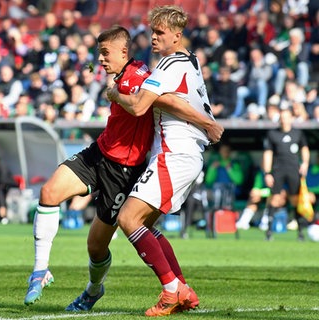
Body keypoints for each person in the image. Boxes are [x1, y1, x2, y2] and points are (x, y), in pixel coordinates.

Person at [24, 24, 223, 307]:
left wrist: (206, 123)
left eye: (106, 53)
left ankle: (94, 290)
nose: (101, 59)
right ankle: (40, 271)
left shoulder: (141, 77)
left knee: (96, 246)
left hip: (124, 172)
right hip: (99, 153)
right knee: (48, 193)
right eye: (99, 54)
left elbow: (166, 102)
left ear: (124, 52)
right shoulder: (121, 75)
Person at [71, 6, 217, 316]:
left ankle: (170, 291)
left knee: (129, 219)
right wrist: (207, 122)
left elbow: (138, 107)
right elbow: (170, 101)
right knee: (145, 224)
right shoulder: (190, 62)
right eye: (152, 32)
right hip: (184, 153)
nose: (153, 37)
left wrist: (115, 95)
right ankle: (182, 288)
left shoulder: (168, 66)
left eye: (160, 33)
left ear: (177, 36)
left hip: (174, 152)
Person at [262, 105, 310, 241]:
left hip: (293, 170)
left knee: (295, 200)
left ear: (291, 118)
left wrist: (305, 163)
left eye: (287, 117)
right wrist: (267, 172)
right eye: (282, 118)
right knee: (274, 199)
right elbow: (268, 154)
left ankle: (300, 232)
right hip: (278, 171)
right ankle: (269, 232)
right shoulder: (272, 134)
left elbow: (305, 149)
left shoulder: (298, 133)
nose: (284, 120)